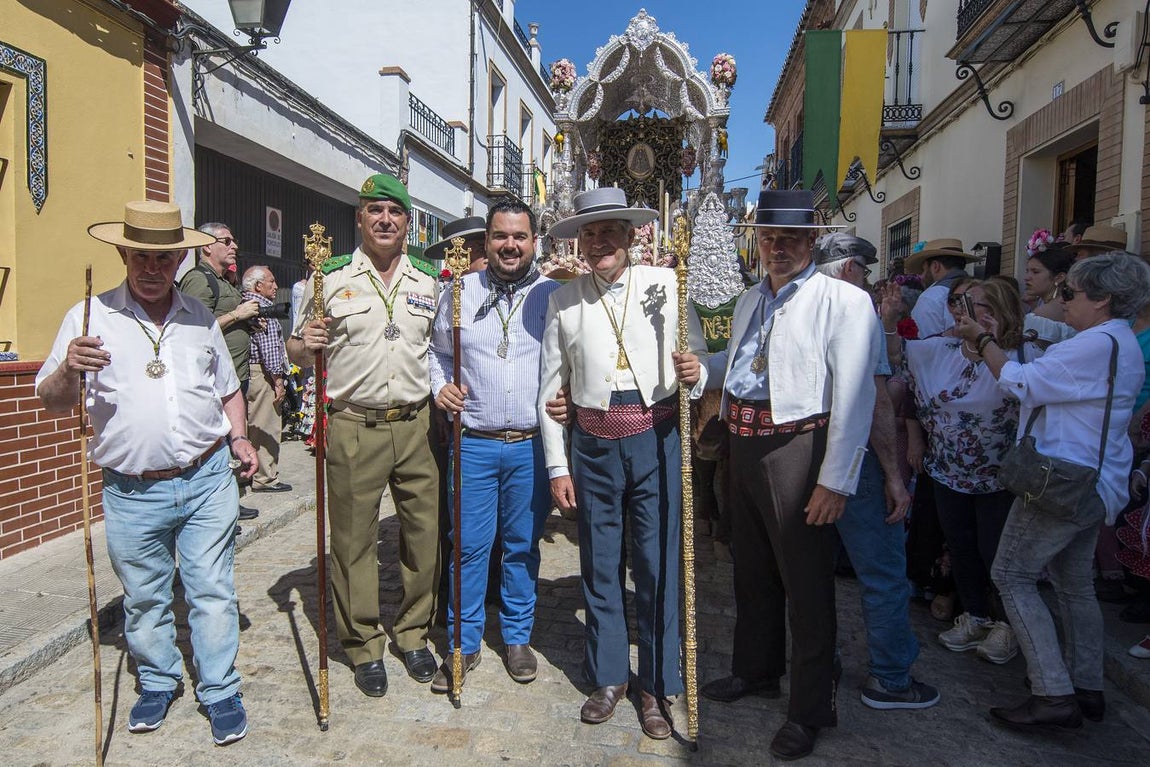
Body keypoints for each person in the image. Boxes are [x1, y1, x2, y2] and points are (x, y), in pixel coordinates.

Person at [36, 201, 257, 744]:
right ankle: (158, 680)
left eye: (164, 258)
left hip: (206, 478)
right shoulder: (89, 317)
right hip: (132, 490)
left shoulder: (200, 317)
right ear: (123, 254)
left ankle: (220, 687)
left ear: (178, 260)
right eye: (142, 257)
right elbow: (51, 399)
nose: (153, 268)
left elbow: (226, 387)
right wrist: (69, 366)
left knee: (211, 587)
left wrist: (241, 435)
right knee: (145, 595)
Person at [695, 190, 879, 761]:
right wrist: (703, 367)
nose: (777, 247)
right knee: (750, 569)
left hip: (799, 444)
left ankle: (810, 708)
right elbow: (747, 362)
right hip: (745, 444)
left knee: (805, 583)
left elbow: (855, 394)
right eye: (769, 238)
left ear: (812, 241)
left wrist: (835, 480)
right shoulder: (753, 299)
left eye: (790, 239)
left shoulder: (845, 303)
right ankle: (756, 670)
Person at [957, 251, 1150, 728]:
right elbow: (1055, 354)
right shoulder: (1117, 339)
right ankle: (1085, 686)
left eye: (1071, 293)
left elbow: (1022, 383)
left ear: (1102, 300)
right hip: (1093, 480)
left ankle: (1052, 692)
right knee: (1074, 585)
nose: (1063, 301)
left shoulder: (1099, 343)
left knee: (1012, 576)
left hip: (1062, 481)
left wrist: (982, 340)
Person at [537, 187, 701, 741]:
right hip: (593, 447)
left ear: (632, 237)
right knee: (600, 564)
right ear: (579, 241)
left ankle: (656, 683)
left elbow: (695, 367)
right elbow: (549, 389)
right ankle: (609, 676)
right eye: (590, 233)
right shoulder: (563, 300)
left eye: (611, 231)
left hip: (655, 441)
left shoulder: (668, 288)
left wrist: (693, 375)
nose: (600, 241)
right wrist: (558, 466)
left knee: (657, 566)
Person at [288, 173, 441, 696]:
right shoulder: (327, 277)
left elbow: (439, 351)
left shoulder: (429, 280)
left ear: (407, 221)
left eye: (394, 212)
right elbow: (294, 352)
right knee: (353, 541)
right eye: (374, 211)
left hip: (416, 424)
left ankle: (415, 633)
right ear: (359, 217)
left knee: (423, 533)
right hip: (354, 424)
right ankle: (364, 644)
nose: (384, 220)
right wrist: (304, 344)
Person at [427, 199, 560, 692]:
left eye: (520, 237)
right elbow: (435, 353)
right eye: (501, 236)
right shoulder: (458, 293)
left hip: (530, 444)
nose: (510, 245)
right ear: (486, 241)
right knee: (467, 548)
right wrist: (439, 386)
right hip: (476, 443)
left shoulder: (552, 296)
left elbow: (566, 362)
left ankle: (517, 636)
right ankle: (462, 644)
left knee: (522, 547)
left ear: (533, 242)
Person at [811, 233, 939, 711]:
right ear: (849, 270)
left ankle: (822, 661)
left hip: (806, 457)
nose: (866, 278)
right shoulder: (854, 311)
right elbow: (878, 402)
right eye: (863, 270)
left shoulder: (798, 307)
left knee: (814, 571)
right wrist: (892, 474)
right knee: (882, 572)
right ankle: (890, 676)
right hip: (857, 459)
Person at [906, 279, 1040, 665]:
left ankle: (1007, 625)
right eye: (965, 303)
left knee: (996, 551)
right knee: (961, 546)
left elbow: (1021, 391)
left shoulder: (1021, 355)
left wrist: (988, 342)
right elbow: (899, 356)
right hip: (949, 471)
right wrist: (889, 320)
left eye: (980, 304)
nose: (967, 310)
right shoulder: (945, 348)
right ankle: (976, 616)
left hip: (1001, 476)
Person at [180, 222, 261, 522]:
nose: (234, 246)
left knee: (235, 443)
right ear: (206, 246)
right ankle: (220, 507)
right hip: (212, 382)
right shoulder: (199, 280)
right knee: (219, 444)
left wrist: (247, 322)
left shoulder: (223, 281)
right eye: (226, 241)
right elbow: (194, 328)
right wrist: (237, 315)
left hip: (233, 376)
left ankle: (231, 502)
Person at [241, 266, 291, 493]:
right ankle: (265, 477)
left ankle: (245, 474)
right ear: (258, 286)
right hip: (262, 373)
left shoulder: (242, 305)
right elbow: (269, 348)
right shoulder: (263, 309)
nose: (276, 286)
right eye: (271, 282)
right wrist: (278, 380)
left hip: (246, 372)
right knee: (265, 425)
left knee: (248, 425)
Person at [904, 239, 980, 339]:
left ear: (935, 266)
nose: (921, 277)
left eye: (923, 270)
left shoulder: (930, 297)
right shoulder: (982, 291)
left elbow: (924, 346)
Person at [1022, 243, 1075, 346]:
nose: (1027, 277)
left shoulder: (1042, 315)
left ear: (1059, 277)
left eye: (1035, 272)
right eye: (1027, 271)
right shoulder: (1072, 304)